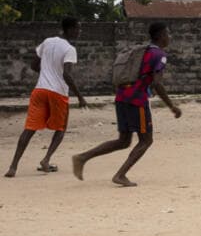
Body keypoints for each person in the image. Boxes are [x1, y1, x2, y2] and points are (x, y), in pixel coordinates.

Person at [72, 22, 182, 187]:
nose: (170, 37)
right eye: (168, 33)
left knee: (123, 141)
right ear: (160, 36)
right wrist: (172, 106)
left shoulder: (144, 51)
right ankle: (120, 175)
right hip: (137, 100)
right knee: (146, 140)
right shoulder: (159, 54)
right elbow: (158, 84)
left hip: (122, 97)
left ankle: (82, 157)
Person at [5, 18, 89, 178]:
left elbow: (34, 65)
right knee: (61, 128)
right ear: (70, 29)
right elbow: (67, 74)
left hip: (40, 90)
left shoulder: (48, 42)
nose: (80, 31)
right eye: (78, 28)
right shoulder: (70, 49)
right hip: (58, 93)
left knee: (29, 129)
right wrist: (80, 97)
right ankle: (46, 160)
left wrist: (46, 75)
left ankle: (13, 166)